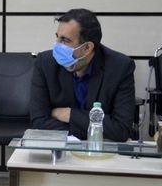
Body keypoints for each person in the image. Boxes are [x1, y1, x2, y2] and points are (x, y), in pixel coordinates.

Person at [30, 8, 135, 142]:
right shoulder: (45, 63)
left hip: (102, 150)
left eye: (65, 40)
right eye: (57, 37)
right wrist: (91, 130)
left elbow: (121, 129)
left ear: (87, 48)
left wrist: (70, 114)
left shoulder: (120, 67)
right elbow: (38, 122)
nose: (57, 45)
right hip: (60, 148)